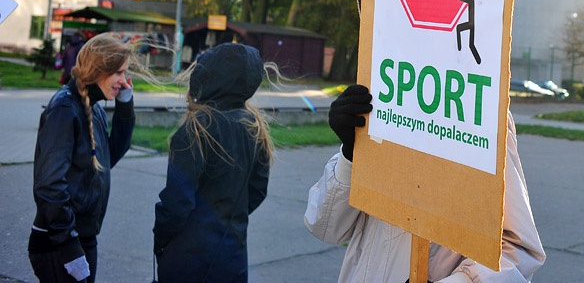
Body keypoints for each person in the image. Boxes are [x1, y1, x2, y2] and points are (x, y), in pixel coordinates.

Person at [305, 84, 545, 282]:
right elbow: (325, 227)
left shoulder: (482, 111)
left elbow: (518, 251)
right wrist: (350, 154)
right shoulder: (381, 98)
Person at [153, 43, 274, 283]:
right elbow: (257, 191)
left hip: (188, 258)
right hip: (232, 256)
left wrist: (161, 239)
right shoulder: (254, 127)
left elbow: (177, 202)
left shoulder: (197, 129)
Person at [29, 32, 136, 283]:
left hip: (82, 239)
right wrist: (69, 247)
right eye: (118, 73)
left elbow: (110, 156)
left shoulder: (91, 108)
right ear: (100, 69)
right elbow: (49, 186)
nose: (123, 81)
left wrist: (125, 104)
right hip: (58, 243)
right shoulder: (65, 109)